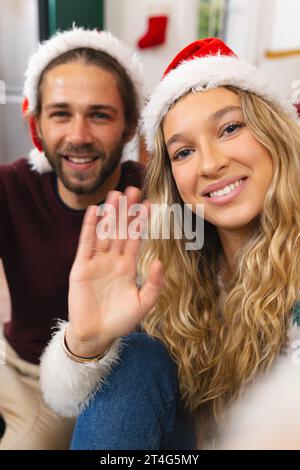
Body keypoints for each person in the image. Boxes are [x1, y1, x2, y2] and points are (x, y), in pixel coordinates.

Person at [40, 37, 300, 450]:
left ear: (276, 135)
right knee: (134, 358)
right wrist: (87, 343)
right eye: (183, 152)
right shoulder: (169, 265)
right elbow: (77, 399)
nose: (211, 163)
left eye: (230, 128)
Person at [0, 27, 144, 450]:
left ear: (129, 126)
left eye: (99, 114)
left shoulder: (159, 199)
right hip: (26, 375)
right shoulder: (10, 188)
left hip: (116, 382)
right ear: (37, 124)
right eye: (61, 113)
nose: (78, 135)